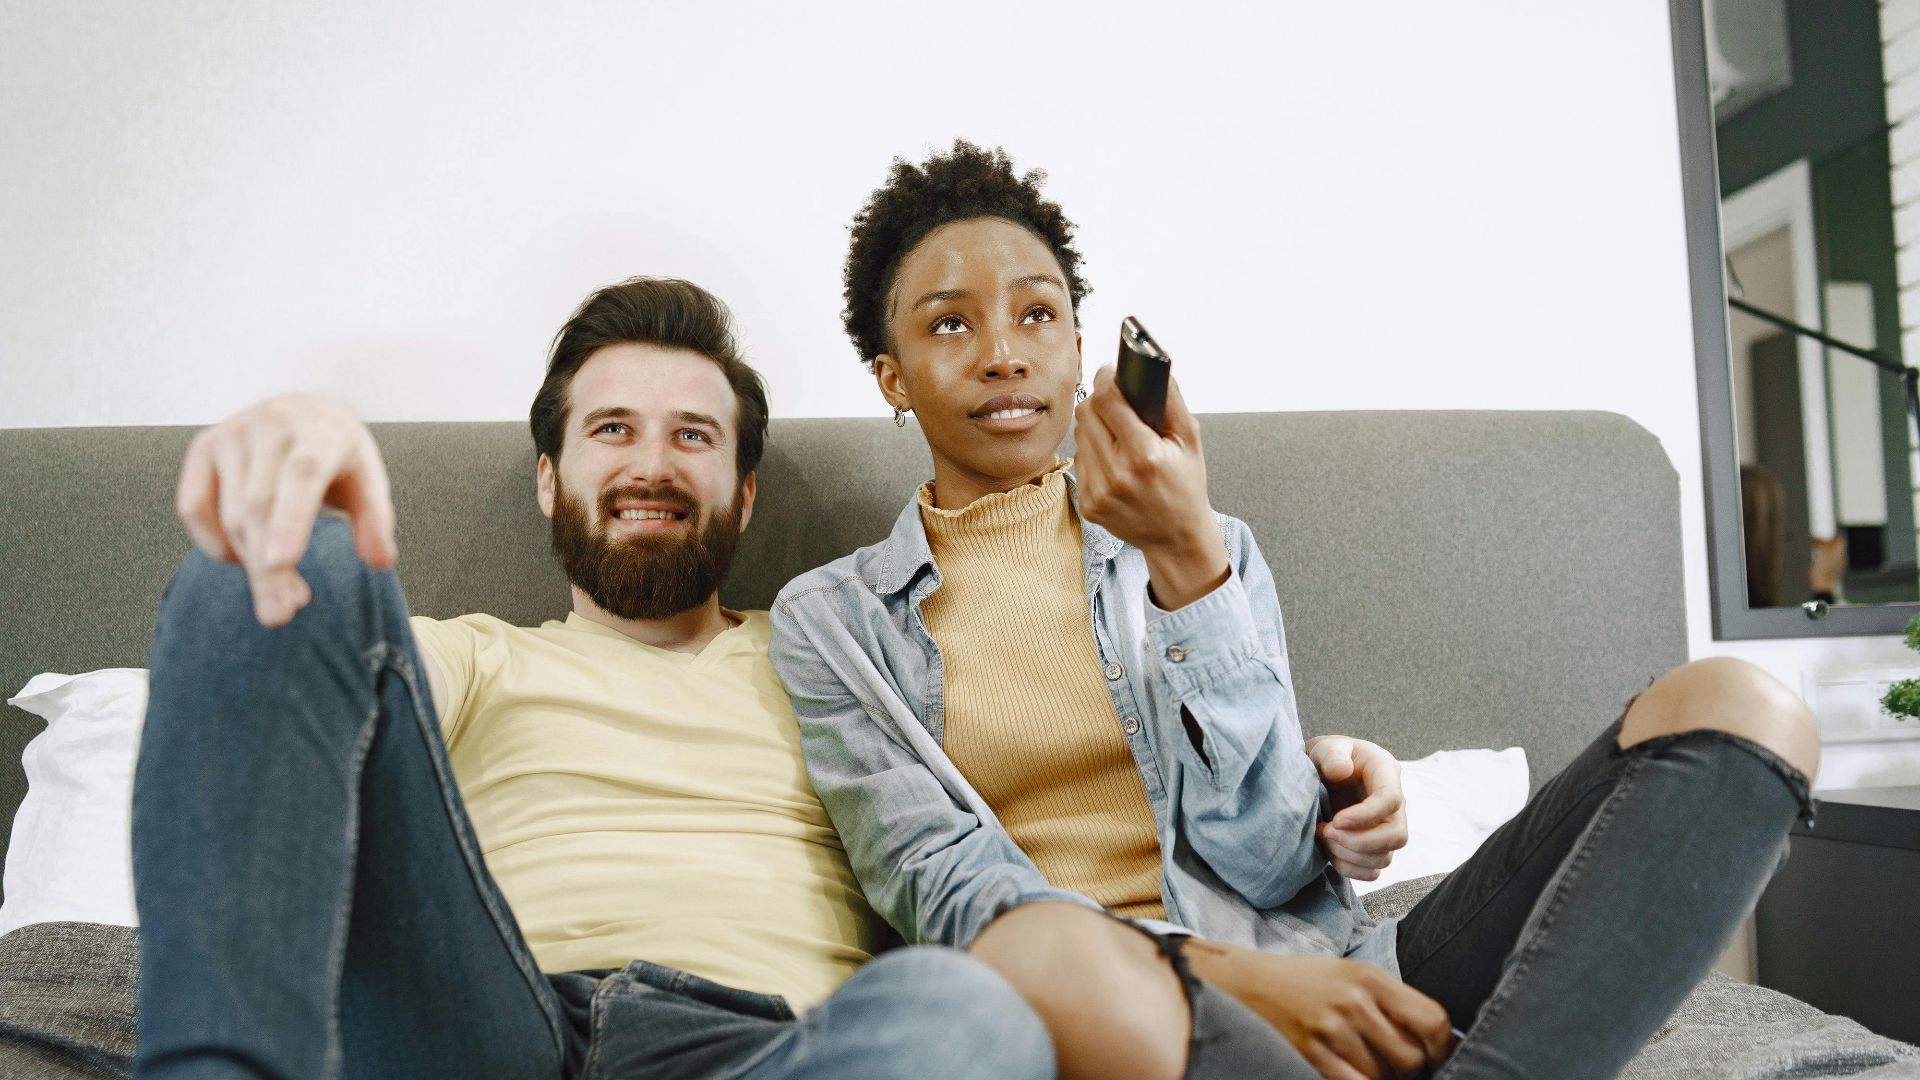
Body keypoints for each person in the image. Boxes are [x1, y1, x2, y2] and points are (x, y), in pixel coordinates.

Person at [132, 274, 1397, 1079]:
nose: (652, 462)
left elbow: (1056, 791)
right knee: (283, 562)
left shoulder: (848, 661)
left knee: (973, 1025)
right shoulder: (472, 656)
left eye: (694, 437)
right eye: (610, 430)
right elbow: (284, 690)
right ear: (547, 478)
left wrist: (1318, 769)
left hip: (765, 1050)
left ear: (741, 494)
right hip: (481, 1019)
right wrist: (291, 446)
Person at [768, 141, 1825, 1080]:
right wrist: (1225, 977)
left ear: (1080, 344)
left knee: (1738, 705)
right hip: (1123, 1014)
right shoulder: (834, 623)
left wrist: (1188, 564)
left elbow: (1274, 860)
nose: (1003, 352)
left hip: (1340, 966)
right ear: (890, 377)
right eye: (950, 324)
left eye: (1038, 313)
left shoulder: (1205, 544)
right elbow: (950, 901)